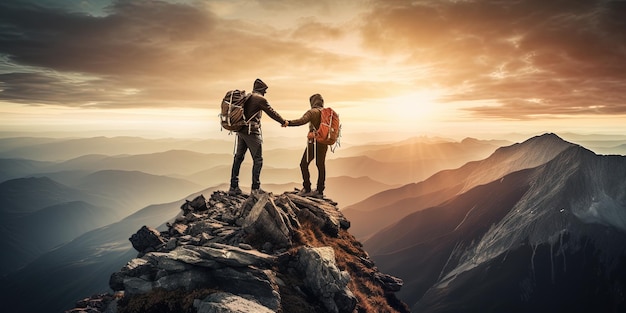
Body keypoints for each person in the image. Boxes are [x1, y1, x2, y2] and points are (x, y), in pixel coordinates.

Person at [228, 78, 286, 196]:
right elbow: (271, 112)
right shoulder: (260, 99)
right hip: (251, 132)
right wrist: (283, 121)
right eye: (264, 90)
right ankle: (256, 188)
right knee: (258, 159)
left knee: (238, 157)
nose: (265, 93)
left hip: (241, 130)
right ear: (261, 89)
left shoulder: (248, 97)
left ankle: (233, 187)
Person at [282, 93, 328, 198]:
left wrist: (288, 122)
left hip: (314, 142)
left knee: (303, 164)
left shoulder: (312, 112)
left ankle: (307, 188)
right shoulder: (326, 113)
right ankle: (320, 190)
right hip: (324, 142)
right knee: (320, 165)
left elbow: (301, 121)